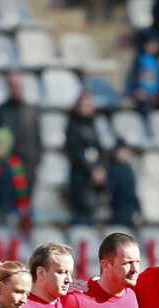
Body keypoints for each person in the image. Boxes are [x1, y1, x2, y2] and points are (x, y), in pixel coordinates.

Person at [0, 71, 41, 191]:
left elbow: (38, 140)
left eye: (19, 84)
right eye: (13, 85)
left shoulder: (31, 111)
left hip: (28, 169)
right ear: (8, 86)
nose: (16, 88)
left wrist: (36, 162)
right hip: (6, 170)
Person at [65, 92, 105, 226]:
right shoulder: (73, 126)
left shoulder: (95, 125)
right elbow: (75, 151)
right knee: (81, 218)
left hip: (94, 182)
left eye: (89, 105)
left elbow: (100, 149)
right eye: (83, 105)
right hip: (80, 178)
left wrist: (100, 169)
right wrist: (91, 170)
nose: (86, 108)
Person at [107, 143, 141, 228]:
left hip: (129, 211)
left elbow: (133, 192)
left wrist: (137, 209)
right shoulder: (112, 169)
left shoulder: (130, 170)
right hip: (117, 211)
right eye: (122, 152)